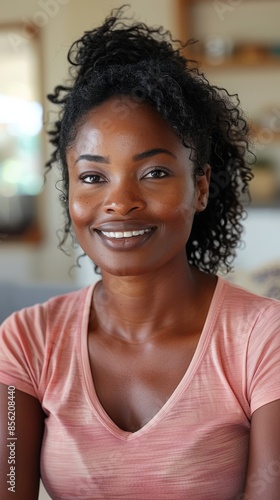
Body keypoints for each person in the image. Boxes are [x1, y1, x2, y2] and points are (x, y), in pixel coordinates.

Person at [1, 6, 280, 500]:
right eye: (92, 177)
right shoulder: (26, 341)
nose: (120, 201)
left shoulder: (262, 340)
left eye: (154, 173)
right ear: (70, 194)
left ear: (200, 186)